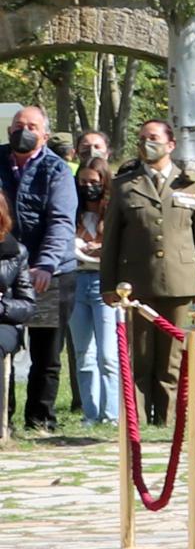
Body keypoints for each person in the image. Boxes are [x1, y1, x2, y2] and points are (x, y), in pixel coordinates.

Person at [102, 117, 195, 428]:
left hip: (181, 283)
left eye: (153, 138)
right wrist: (108, 284)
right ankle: (136, 422)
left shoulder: (189, 183)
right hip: (136, 285)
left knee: (172, 361)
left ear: (170, 144)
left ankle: (169, 422)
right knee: (140, 358)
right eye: (141, 138)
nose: (146, 144)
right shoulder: (125, 185)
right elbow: (111, 240)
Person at [7, 106, 79, 432]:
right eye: (18, 125)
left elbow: (61, 221)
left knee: (46, 354)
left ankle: (40, 421)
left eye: (32, 126)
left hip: (49, 273)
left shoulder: (57, 170)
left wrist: (45, 265)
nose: (24, 130)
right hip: (4, 272)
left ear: (44, 135)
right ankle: (1, 418)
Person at [66, 128, 116, 421]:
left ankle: (112, 415)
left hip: (104, 284)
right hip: (76, 281)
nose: (88, 187)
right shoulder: (73, 211)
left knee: (108, 355)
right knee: (84, 355)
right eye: (83, 182)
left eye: (94, 182)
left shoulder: (111, 212)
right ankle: (90, 414)